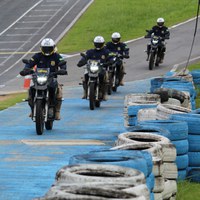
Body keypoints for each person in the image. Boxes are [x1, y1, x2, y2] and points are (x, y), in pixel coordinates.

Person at [19, 38, 67, 120]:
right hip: (38, 78)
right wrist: (26, 70)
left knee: (59, 92)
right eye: (45, 48)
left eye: (49, 48)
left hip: (52, 78)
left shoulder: (56, 56)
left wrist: (63, 69)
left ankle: (57, 112)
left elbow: (62, 64)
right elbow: (29, 63)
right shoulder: (37, 56)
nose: (47, 50)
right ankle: (33, 109)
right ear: (41, 48)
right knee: (30, 91)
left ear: (53, 48)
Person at [77, 36, 112, 100]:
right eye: (97, 44)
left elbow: (111, 58)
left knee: (105, 80)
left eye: (100, 44)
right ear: (94, 44)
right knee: (85, 77)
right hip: (90, 68)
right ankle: (85, 92)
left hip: (102, 69)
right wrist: (81, 62)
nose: (98, 45)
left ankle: (104, 94)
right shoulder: (90, 51)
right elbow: (84, 57)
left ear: (103, 44)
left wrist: (110, 62)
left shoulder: (106, 52)